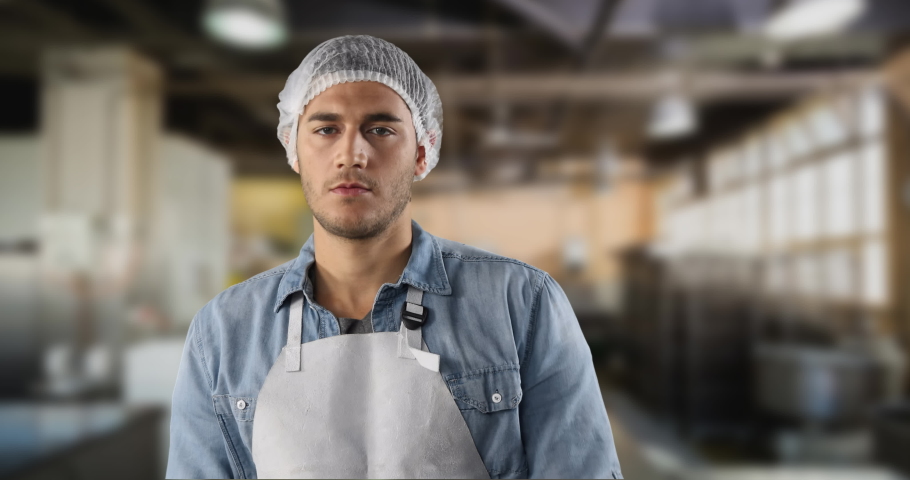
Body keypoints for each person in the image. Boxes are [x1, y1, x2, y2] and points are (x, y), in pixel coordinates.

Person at [166, 35, 622, 479]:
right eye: (326, 129)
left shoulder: (523, 305)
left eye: (380, 129)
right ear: (294, 149)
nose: (352, 154)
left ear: (423, 152)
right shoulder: (223, 333)